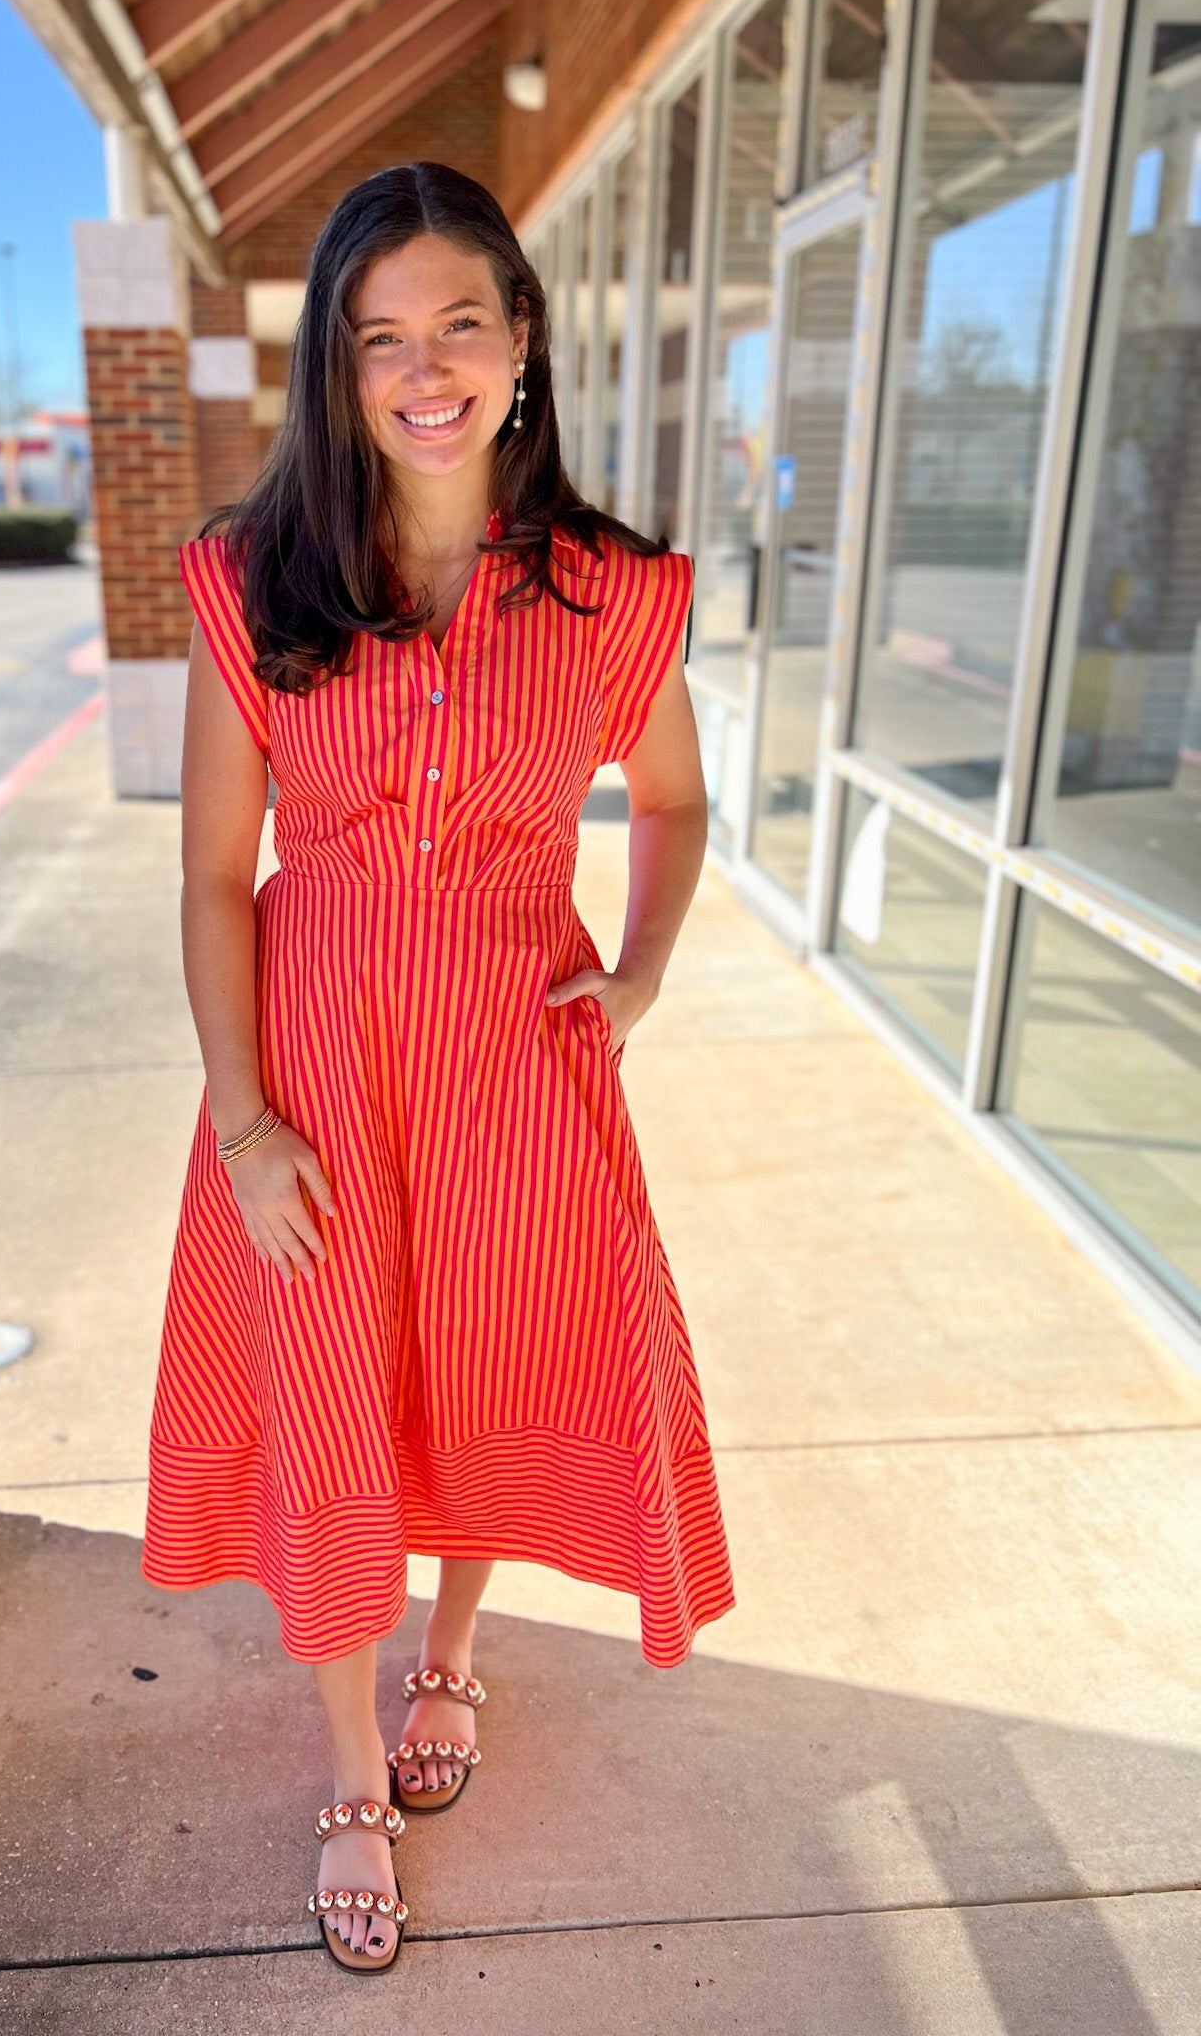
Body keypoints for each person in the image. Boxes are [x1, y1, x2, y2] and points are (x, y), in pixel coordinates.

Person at [141, 160, 735, 1975]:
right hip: (313, 1075)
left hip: (514, 1070)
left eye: (457, 323)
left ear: (522, 338)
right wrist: (243, 1121)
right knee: (331, 1394)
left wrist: (634, 973)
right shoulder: (255, 583)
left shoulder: (615, 593)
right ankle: (346, 1770)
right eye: (377, 333)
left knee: (484, 1364)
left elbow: (680, 804)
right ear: (337, 361)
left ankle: (453, 1659)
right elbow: (209, 874)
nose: (422, 368)